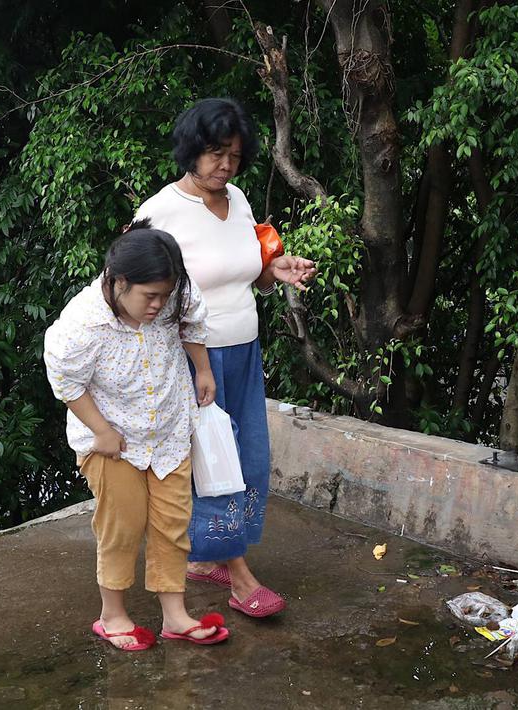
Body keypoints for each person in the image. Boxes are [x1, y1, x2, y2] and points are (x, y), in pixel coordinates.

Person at [134, 98, 317, 618]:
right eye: (215, 155)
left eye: (234, 156)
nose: (225, 167)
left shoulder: (237, 200)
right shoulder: (160, 212)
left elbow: (246, 272)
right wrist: (186, 363)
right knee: (217, 462)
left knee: (250, 457)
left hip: (244, 350)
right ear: (191, 151)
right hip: (195, 359)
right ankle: (238, 578)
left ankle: (205, 557)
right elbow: (131, 284)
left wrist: (274, 269)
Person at [43, 221, 229, 650]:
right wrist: (102, 431)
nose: (158, 304)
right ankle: (112, 616)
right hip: (112, 443)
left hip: (167, 430)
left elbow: (192, 320)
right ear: (118, 282)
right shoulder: (82, 324)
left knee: (172, 523)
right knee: (123, 525)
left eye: (165, 295)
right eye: (150, 297)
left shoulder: (173, 293)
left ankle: (175, 616)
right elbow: (65, 380)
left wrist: (202, 369)